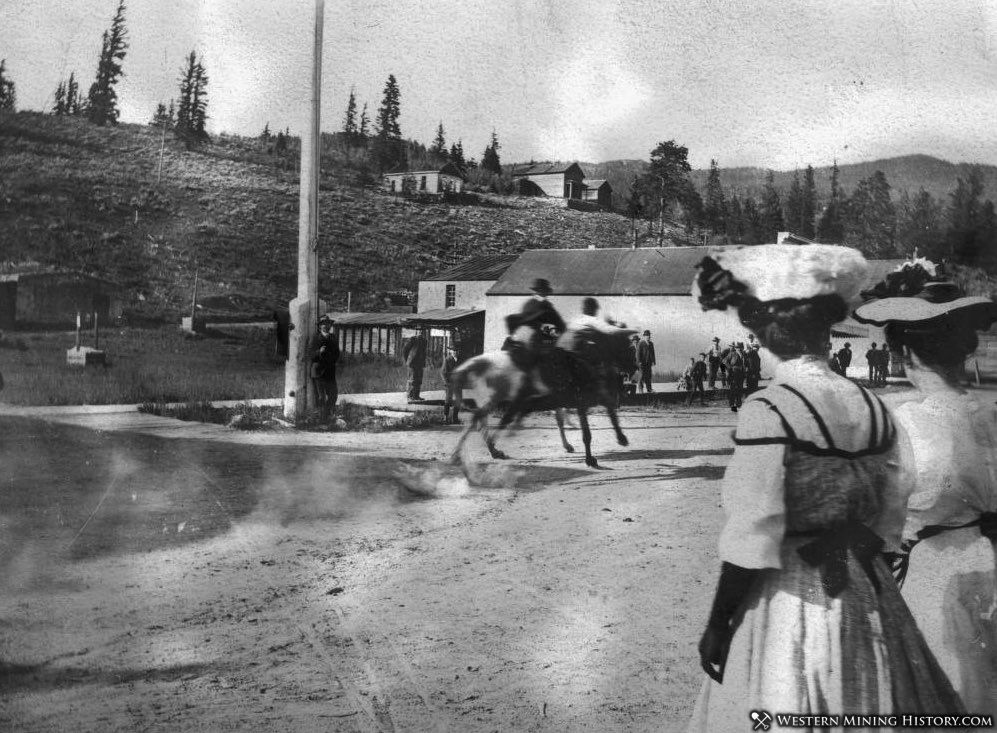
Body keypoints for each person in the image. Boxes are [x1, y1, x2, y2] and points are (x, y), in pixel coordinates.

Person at [688, 244, 961, 730]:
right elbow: (891, 510)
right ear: (825, 329)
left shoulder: (769, 408)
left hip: (791, 594)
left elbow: (753, 531)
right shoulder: (873, 405)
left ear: (764, 333)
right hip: (865, 588)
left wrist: (718, 622)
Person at [854, 262, 997, 718]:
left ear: (905, 356)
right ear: (964, 351)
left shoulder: (904, 421)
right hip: (987, 561)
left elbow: (881, 515)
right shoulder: (991, 415)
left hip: (936, 575)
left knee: (939, 694)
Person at [310, 318, 340, 422]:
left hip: (330, 371)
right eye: (324, 324)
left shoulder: (333, 337)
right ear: (320, 326)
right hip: (318, 371)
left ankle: (327, 415)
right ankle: (320, 418)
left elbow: (337, 353)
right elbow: (310, 354)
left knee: (333, 395)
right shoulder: (315, 338)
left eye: (328, 324)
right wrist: (319, 352)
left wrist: (332, 360)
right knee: (320, 397)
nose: (327, 326)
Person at [402, 328, 427, 403]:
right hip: (412, 363)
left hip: (420, 363)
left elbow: (424, 352)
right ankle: (410, 396)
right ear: (416, 332)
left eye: (422, 331)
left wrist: (423, 361)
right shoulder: (412, 339)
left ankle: (416, 396)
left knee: (419, 380)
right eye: (419, 330)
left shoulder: (424, 341)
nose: (421, 332)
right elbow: (405, 350)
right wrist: (408, 360)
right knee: (412, 380)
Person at [441, 341, 461, 424]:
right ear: (450, 351)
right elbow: (443, 372)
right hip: (449, 383)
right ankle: (445, 417)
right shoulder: (447, 360)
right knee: (448, 400)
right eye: (453, 350)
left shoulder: (460, 359)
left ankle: (455, 418)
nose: (455, 352)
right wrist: (447, 382)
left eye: (456, 350)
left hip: (458, 383)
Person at [723, 342, 745, 412]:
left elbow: (745, 363)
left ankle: (739, 403)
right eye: (737, 348)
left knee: (740, 388)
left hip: (741, 373)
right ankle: (732, 404)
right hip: (733, 373)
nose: (739, 349)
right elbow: (725, 361)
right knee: (733, 388)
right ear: (736, 348)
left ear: (742, 348)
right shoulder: (732, 354)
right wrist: (730, 368)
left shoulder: (744, 354)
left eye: (740, 347)